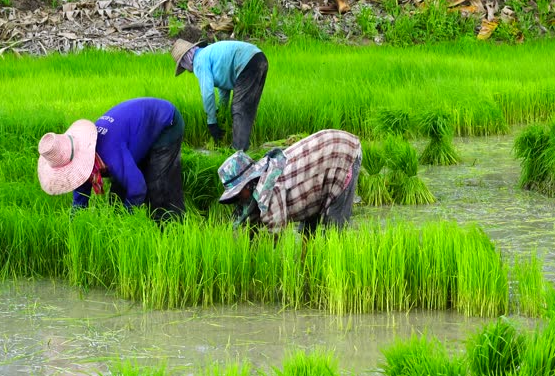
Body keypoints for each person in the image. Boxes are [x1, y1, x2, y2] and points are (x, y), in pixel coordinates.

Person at [37, 97, 185, 223]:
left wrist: (125, 220)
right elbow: (80, 199)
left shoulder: (110, 152)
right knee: (117, 195)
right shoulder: (81, 153)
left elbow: (138, 188)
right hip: (135, 132)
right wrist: (74, 227)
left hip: (166, 122)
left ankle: (171, 230)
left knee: (158, 187)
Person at [218, 129, 362, 235]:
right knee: (307, 231)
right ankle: (307, 263)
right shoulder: (261, 178)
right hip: (316, 167)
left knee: (334, 229)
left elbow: (275, 233)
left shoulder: (269, 189)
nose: (238, 198)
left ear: (248, 183)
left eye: (238, 193)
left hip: (341, 154)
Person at [171, 39, 268, 151]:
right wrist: (221, 111)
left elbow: (207, 93)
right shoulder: (210, 53)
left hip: (247, 62)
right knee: (247, 108)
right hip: (259, 58)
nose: (187, 70)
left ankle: (237, 153)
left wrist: (211, 122)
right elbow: (224, 88)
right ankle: (243, 149)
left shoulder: (199, 60)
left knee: (240, 109)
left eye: (183, 66)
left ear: (185, 59)